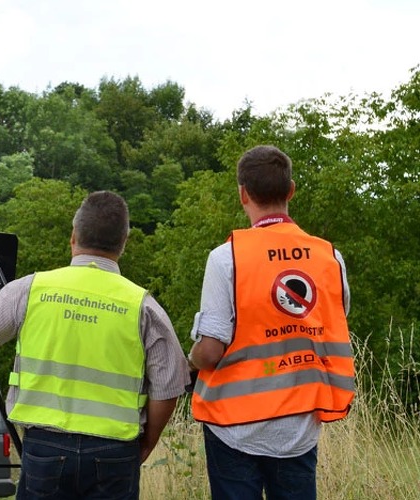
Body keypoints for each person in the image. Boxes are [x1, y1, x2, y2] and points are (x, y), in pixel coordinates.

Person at [0, 190, 189, 500]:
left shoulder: (31, 289)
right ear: (123, 243)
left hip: (45, 446)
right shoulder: (143, 306)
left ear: (73, 237)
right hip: (115, 450)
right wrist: (148, 442)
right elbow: (168, 387)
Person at [188, 145, 355, 500]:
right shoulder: (330, 257)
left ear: (242, 194)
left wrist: (192, 360)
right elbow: (331, 323)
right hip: (298, 429)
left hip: (232, 428)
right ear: (291, 190)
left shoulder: (225, 258)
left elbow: (210, 350)